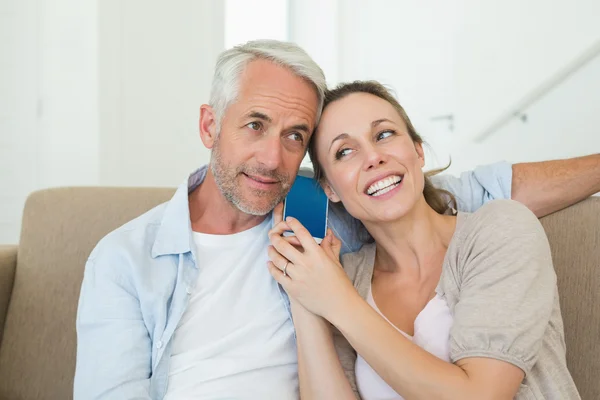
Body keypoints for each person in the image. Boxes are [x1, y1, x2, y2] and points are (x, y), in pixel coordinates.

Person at [73, 39, 599, 399]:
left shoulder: (325, 218)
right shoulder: (127, 259)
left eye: (295, 135)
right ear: (210, 125)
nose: (273, 159)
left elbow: (440, 194)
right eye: (254, 125)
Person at [266, 80, 582, 399]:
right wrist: (304, 294)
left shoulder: (501, 228)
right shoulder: (343, 276)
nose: (373, 157)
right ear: (330, 189)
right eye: (344, 151)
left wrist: (337, 301)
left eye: (384, 134)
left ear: (418, 151)